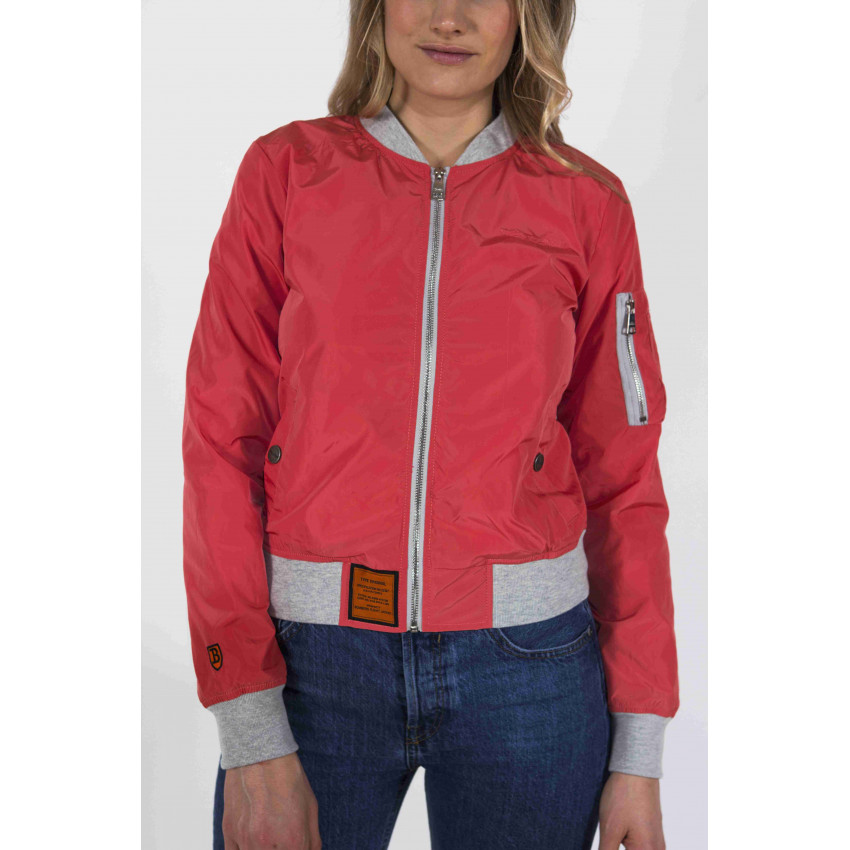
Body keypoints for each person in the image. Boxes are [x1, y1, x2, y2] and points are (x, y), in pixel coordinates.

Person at [182, 1, 679, 848]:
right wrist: (250, 727)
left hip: (529, 672)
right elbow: (220, 445)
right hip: (312, 666)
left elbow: (624, 473)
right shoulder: (287, 172)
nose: (449, 16)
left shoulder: (586, 202)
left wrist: (639, 748)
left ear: (527, 17)